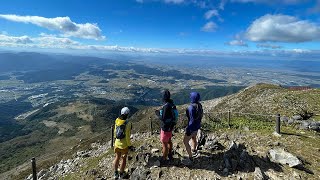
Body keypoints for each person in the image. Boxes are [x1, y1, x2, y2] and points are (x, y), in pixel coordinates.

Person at [156, 90, 178, 165]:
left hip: (165, 128)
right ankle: (170, 154)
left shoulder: (166, 106)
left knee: (164, 144)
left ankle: (164, 159)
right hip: (170, 126)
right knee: (169, 140)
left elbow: (163, 118)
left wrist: (157, 114)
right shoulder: (171, 103)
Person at [183, 92, 203, 165]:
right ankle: (194, 150)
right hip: (197, 126)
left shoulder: (191, 107)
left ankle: (190, 157)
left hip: (192, 127)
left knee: (185, 141)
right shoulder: (199, 105)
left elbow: (191, 120)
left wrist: (188, 130)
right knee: (194, 138)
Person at [113, 107, 132, 179]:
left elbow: (115, 132)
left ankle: (115, 173)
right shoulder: (128, 123)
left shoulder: (117, 120)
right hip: (124, 145)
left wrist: (116, 140)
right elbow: (127, 136)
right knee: (123, 159)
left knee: (117, 157)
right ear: (127, 114)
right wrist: (129, 145)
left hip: (117, 143)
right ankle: (121, 173)